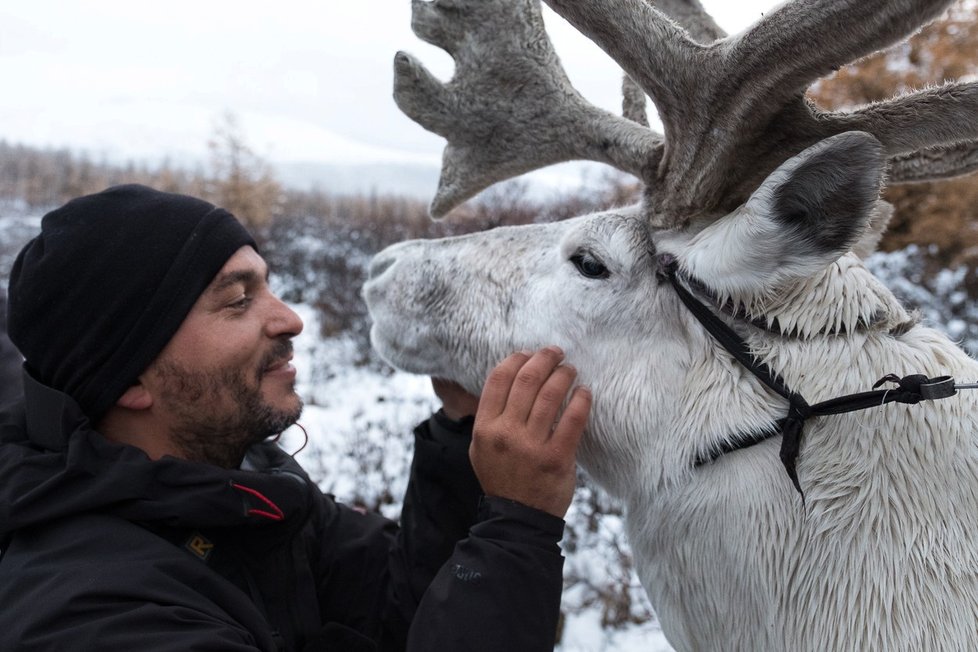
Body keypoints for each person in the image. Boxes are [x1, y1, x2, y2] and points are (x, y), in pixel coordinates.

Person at [0, 184, 591, 651]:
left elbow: (394, 612)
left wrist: (459, 439)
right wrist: (515, 530)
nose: (290, 319)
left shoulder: (242, 489)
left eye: (268, 286)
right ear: (129, 377)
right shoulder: (92, 617)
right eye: (237, 301)